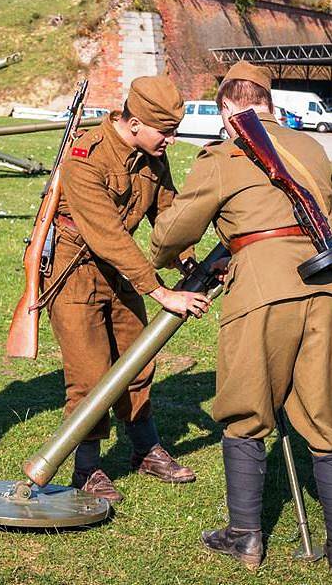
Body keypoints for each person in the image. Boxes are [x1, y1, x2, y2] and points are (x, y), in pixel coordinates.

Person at [150, 62, 332, 575]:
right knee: (330, 421)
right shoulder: (309, 148)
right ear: (269, 100)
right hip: (326, 287)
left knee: (245, 413)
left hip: (260, 291)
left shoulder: (224, 152)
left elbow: (175, 229)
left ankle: (244, 537)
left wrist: (161, 251)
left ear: (226, 108)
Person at [45, 76, 211, 503]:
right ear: (133, 122)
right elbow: (106, 236)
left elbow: (169, 215)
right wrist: (161, 292)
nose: (172, 141)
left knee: (138, 361)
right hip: (74, 271)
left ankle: (145, 449)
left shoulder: (152, 156)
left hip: (121, 272)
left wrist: (189, 260)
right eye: (166, 132)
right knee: (88, 374)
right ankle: (87, 468)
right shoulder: (85, 156)